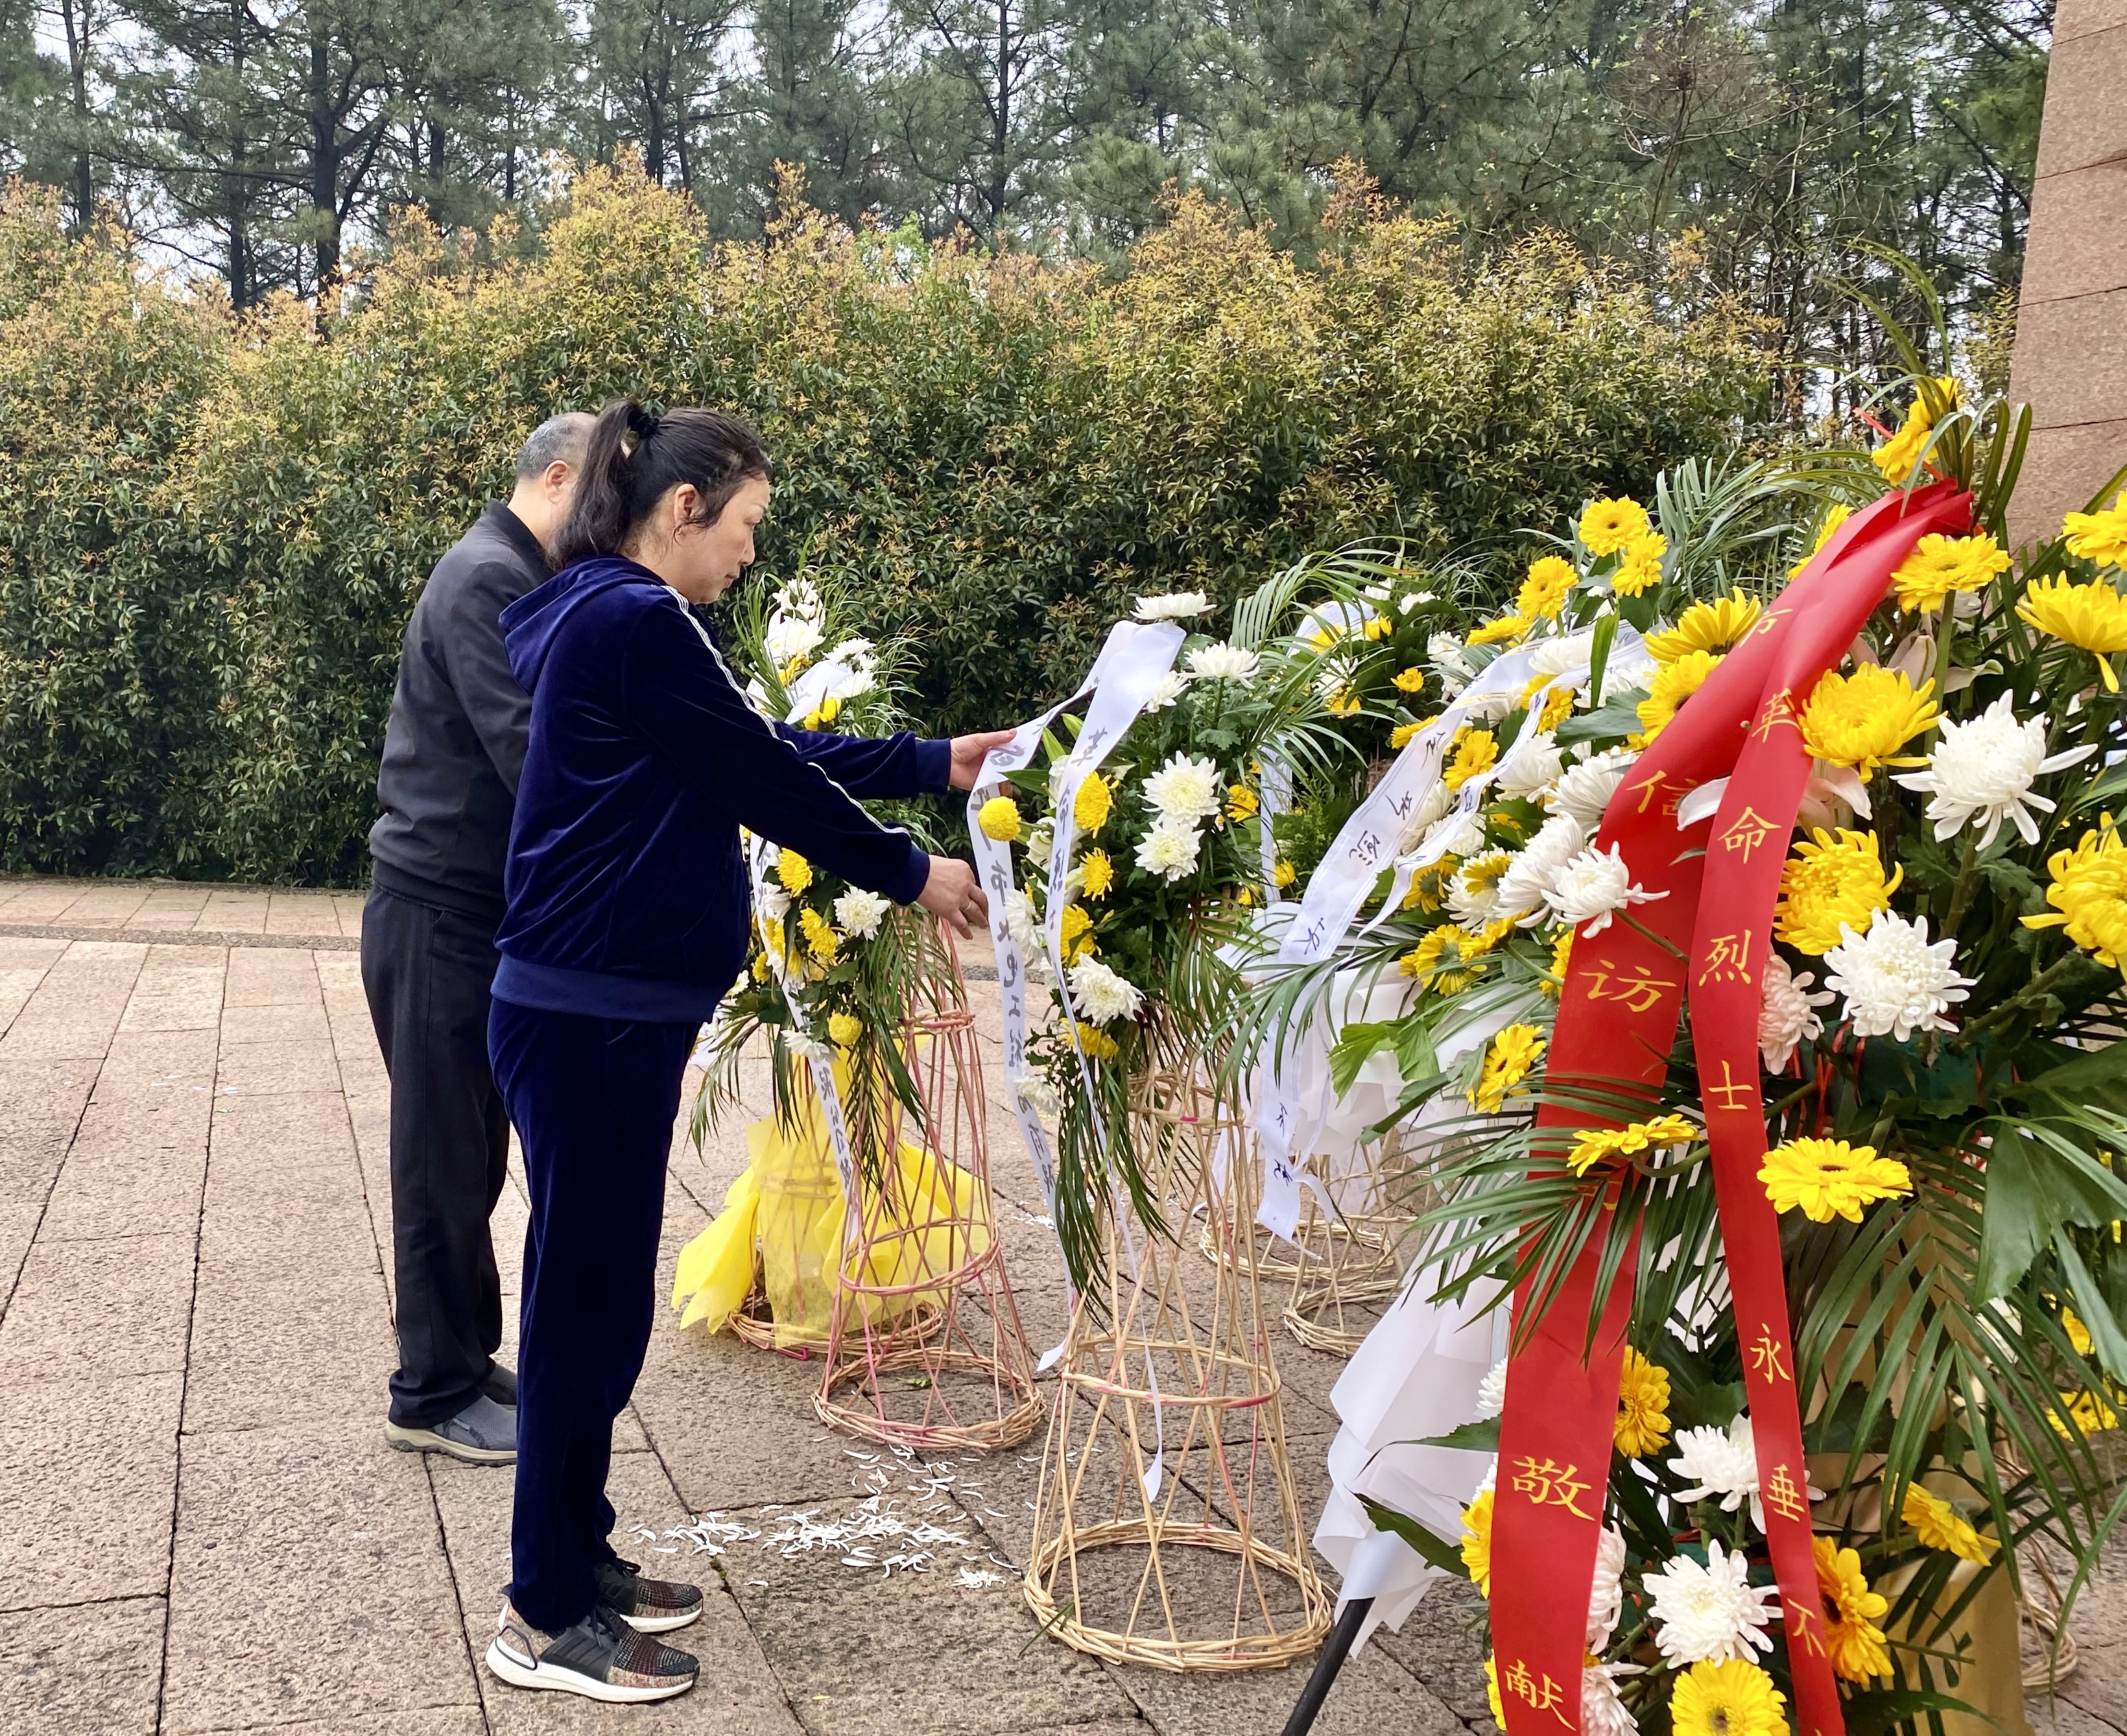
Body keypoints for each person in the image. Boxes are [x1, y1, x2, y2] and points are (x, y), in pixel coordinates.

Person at [482, 398, 1003, 1704]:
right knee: (579, 1307)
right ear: (682, 507)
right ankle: (545, 1613)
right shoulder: (631, 617)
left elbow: (758, 751)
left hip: (601, 1008)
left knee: (593, 1299)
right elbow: (762, 783)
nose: (750, 556)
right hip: (590, 1009)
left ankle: (577, 1556)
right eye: (748, 526)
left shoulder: (613, 613)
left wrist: (935, 760)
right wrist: (910, 872)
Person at [364, 412, 595, 1465]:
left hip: (469, 913)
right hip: (436, 912)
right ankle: (431, 1390)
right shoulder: (485, 579)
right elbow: (531, 750)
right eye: (599, 498)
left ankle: (464, 1356)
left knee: (472, 1154)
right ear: (556, 478)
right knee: (442, 1162)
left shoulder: (509, 571)